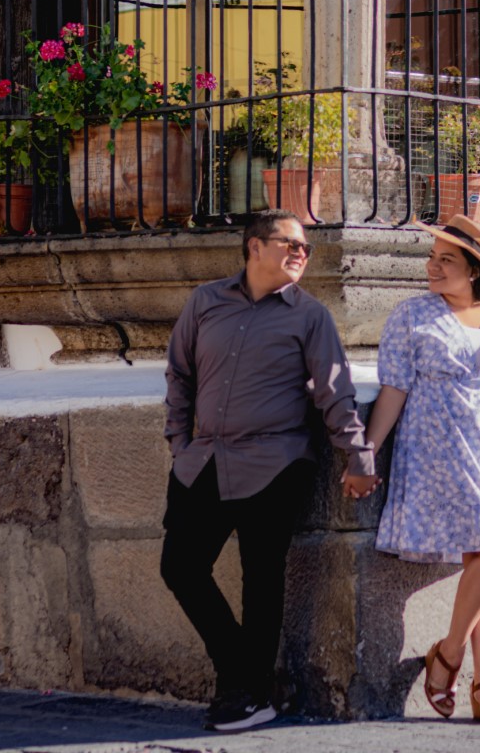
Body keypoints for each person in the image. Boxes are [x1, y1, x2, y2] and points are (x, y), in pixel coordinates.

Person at [161, 209, 377, 733]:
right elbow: (180, 376)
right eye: (290, 244)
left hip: (275, 463)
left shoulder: (311, 316)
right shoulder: (205, 302)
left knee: (261, 580)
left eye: (306, 248)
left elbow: (335, 391)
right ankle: (241, 673)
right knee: (180, 567)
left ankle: (250, 694)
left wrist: (358, 455)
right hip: (204, 461)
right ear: (254, 246)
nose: (301, 253)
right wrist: (179, 444)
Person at [365, 214, 480, 725]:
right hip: (440, 457)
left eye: (446, 260)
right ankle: (448, 658)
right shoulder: (412, 316)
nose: (433, 266)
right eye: (432, 257)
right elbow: (394, 390)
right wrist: (366, 451)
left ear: (473, 271)